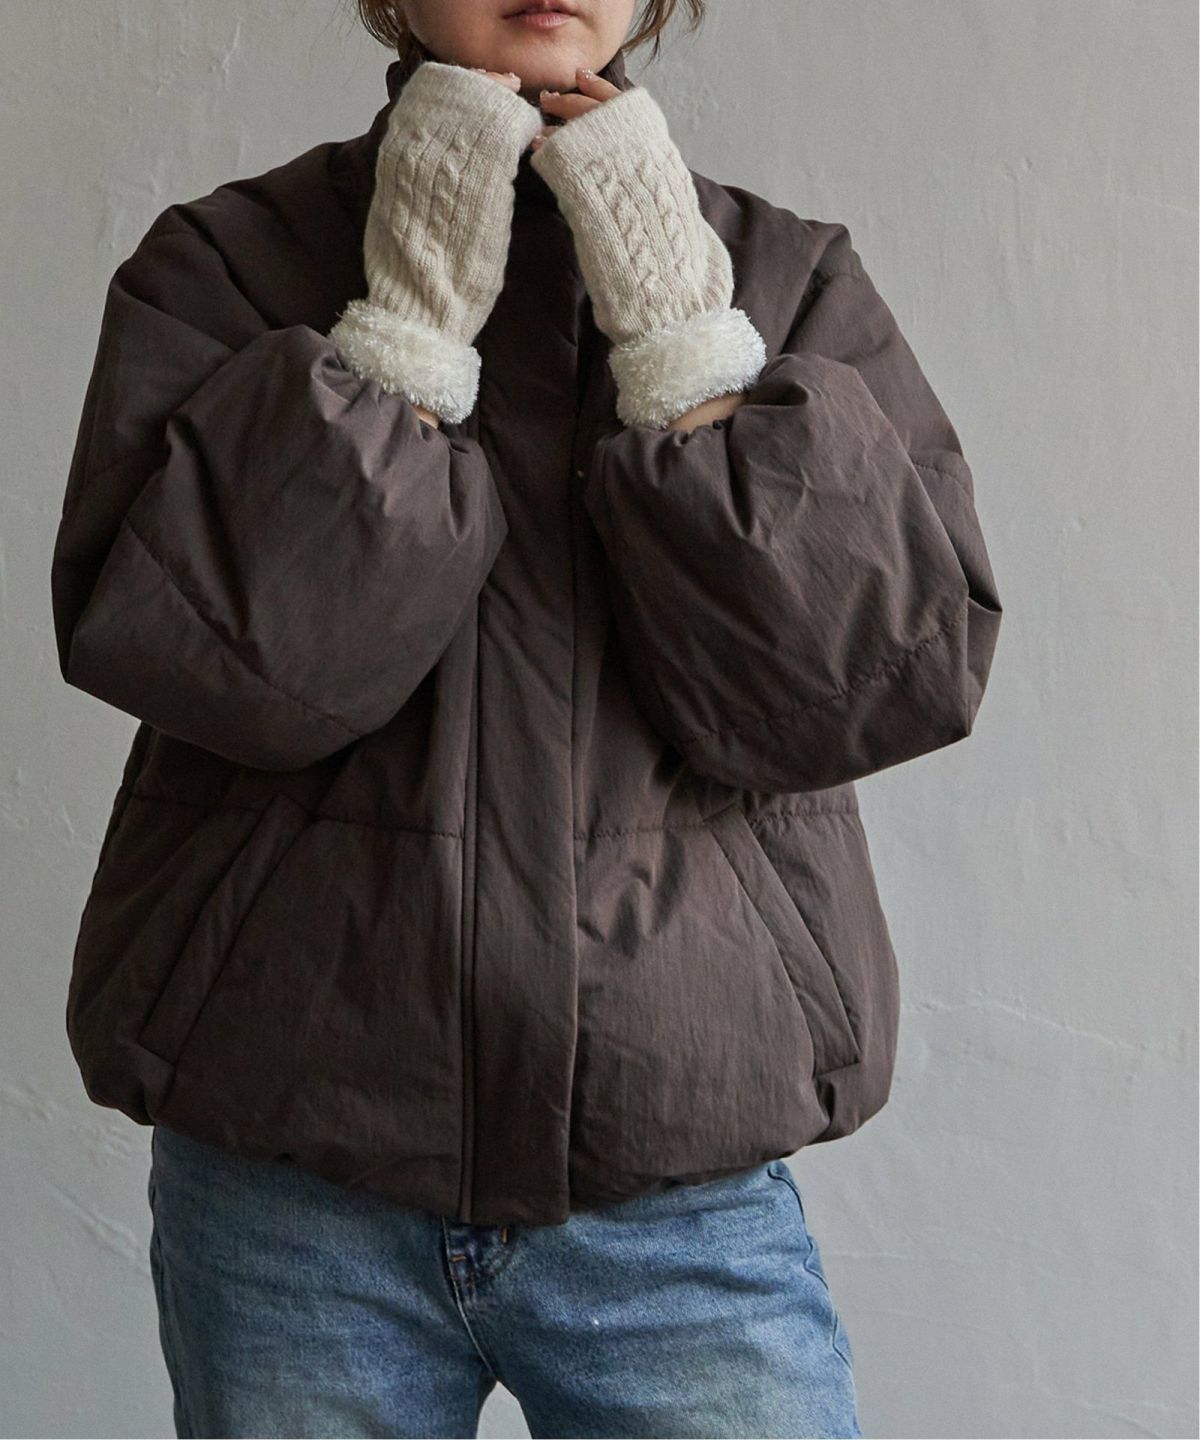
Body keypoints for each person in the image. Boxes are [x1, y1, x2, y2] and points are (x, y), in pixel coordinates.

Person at [51, 0, 1003, 1435]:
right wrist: (402, 330)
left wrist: (685, 336)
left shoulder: (785, 279)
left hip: (679, 1186)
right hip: (292, 1184)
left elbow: (861, 683)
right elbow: (225, 665)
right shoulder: (230, 264)